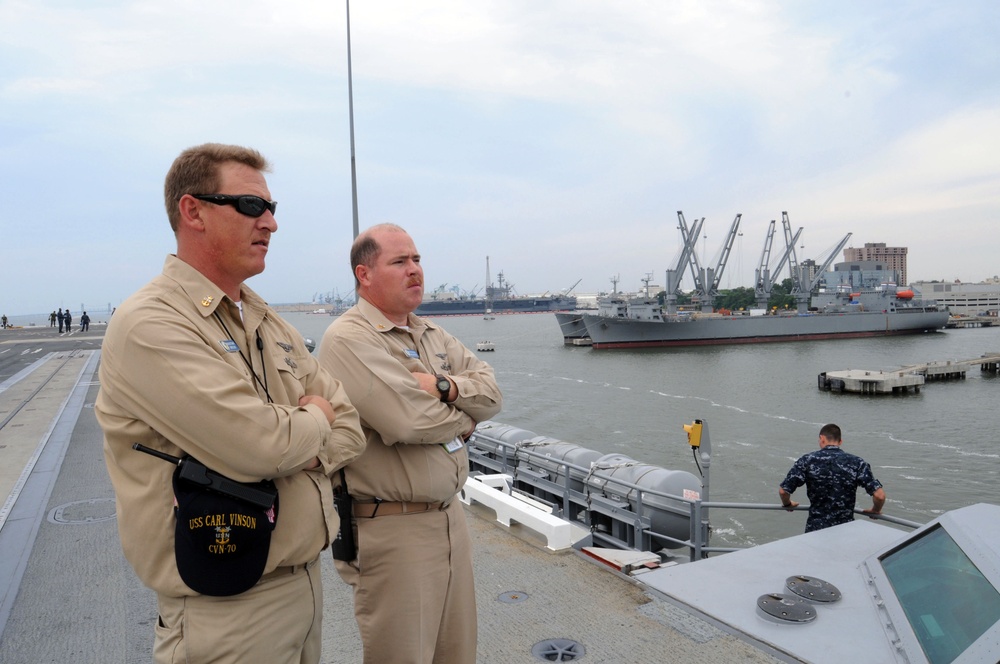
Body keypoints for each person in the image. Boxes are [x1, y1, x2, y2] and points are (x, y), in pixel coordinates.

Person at [96, 143, 366, 664]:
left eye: (272, 208)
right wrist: (314, 418)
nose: (270, 223)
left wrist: (302, 440)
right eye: (250, 206)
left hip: (304, 587)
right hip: (225, 612)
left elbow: (350, 425)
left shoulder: (263, 317)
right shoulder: (151, 323)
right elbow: (261, 445)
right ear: (192, 211)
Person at [318, 223, 503, 664]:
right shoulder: (348, 339)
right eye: (400, 262)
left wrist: (442, 386)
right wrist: (463, 417)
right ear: (364, 275)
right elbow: (406, 421)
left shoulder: (431, 334)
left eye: (417, 259)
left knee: (457, 654)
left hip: (449, 518)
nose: (414, 270)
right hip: (392, 528)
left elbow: (493, 394)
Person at [779, 423, 885, 532]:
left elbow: (783, 491)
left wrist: (787, 504)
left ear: (822, 438)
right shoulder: (857, 462)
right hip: (845, 530)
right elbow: (880, 496)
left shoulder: (807, 460)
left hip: (816, 529)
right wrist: (875, 510)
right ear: (840, 442)